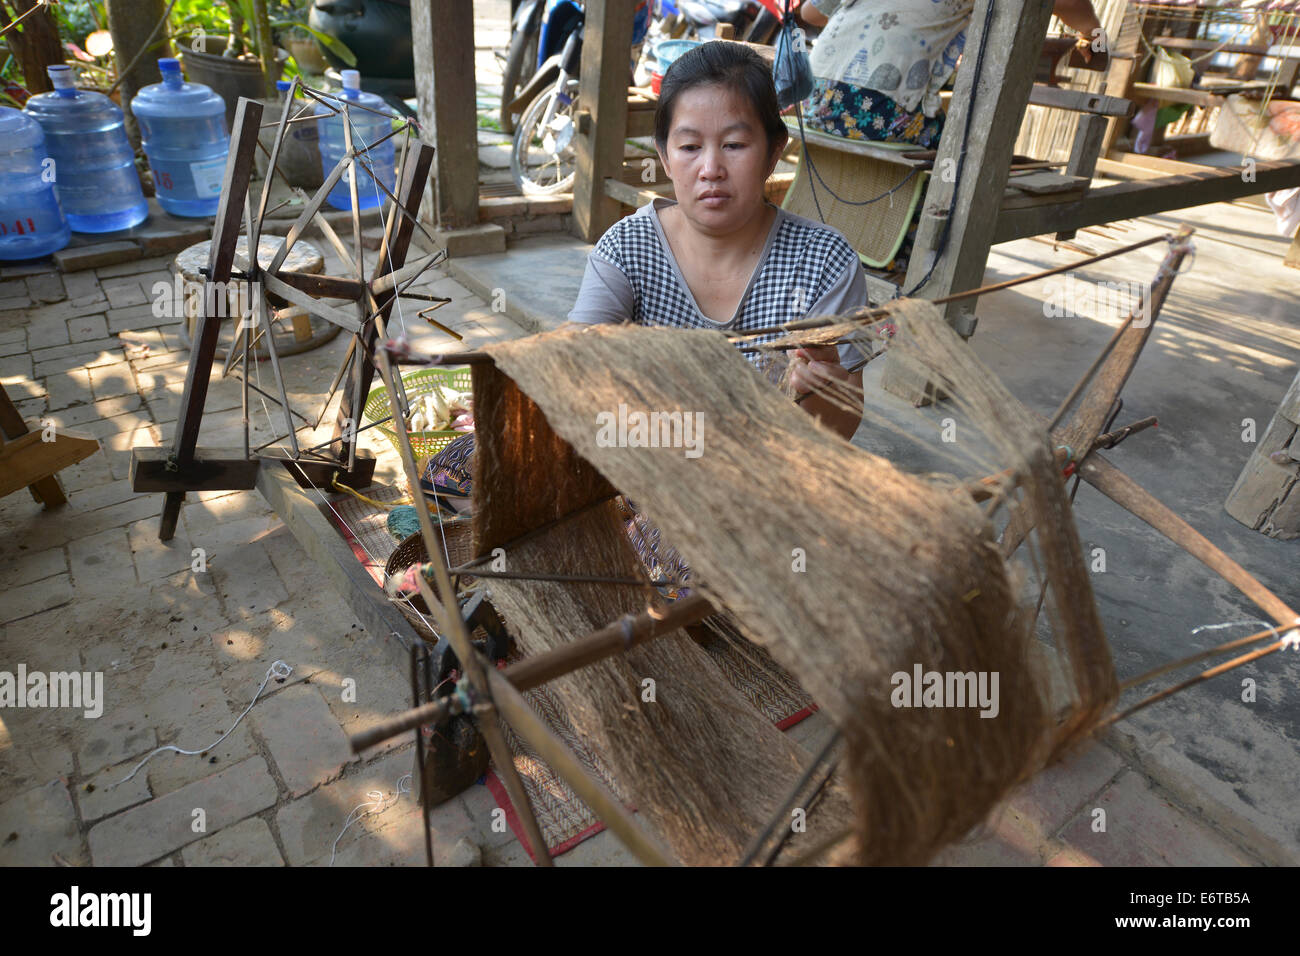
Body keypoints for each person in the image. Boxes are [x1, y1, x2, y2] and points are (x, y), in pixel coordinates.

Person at [420, 41, 870, 593]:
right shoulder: (630, 247)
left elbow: (835, 432)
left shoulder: (825, 261)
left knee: (674, 573)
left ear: (774, 152)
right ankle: (626, 526)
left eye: (734, 144)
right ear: (663, 155)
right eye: (689, 146)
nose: (710, 169)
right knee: (458, 467)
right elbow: (579, 353)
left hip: (755, 477)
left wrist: (824, 387)